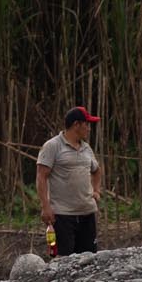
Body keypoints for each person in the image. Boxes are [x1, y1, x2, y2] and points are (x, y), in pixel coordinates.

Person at [38, 106, 104, 257]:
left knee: (89, 259)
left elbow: (97, 170)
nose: (88, 129)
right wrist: (45, 206)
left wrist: (96, 191)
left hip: (87, 213)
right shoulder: (53, 146)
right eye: (86, 124)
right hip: (63, 215)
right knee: (63, 261)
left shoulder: (86, 148)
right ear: (76, 125)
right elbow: (41, 176)